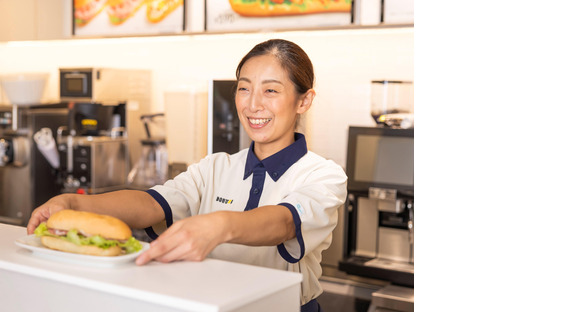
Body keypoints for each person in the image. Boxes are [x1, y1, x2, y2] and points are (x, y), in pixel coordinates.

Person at [27, 39, 347, 312]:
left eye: (271, 91)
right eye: (244, 89)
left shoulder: (323, 176)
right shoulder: (215, 166)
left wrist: (219, 225)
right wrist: (76, 204)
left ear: (304, 100)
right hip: (210, 304)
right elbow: (153, 204)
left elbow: (284, 223)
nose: (253, 104)